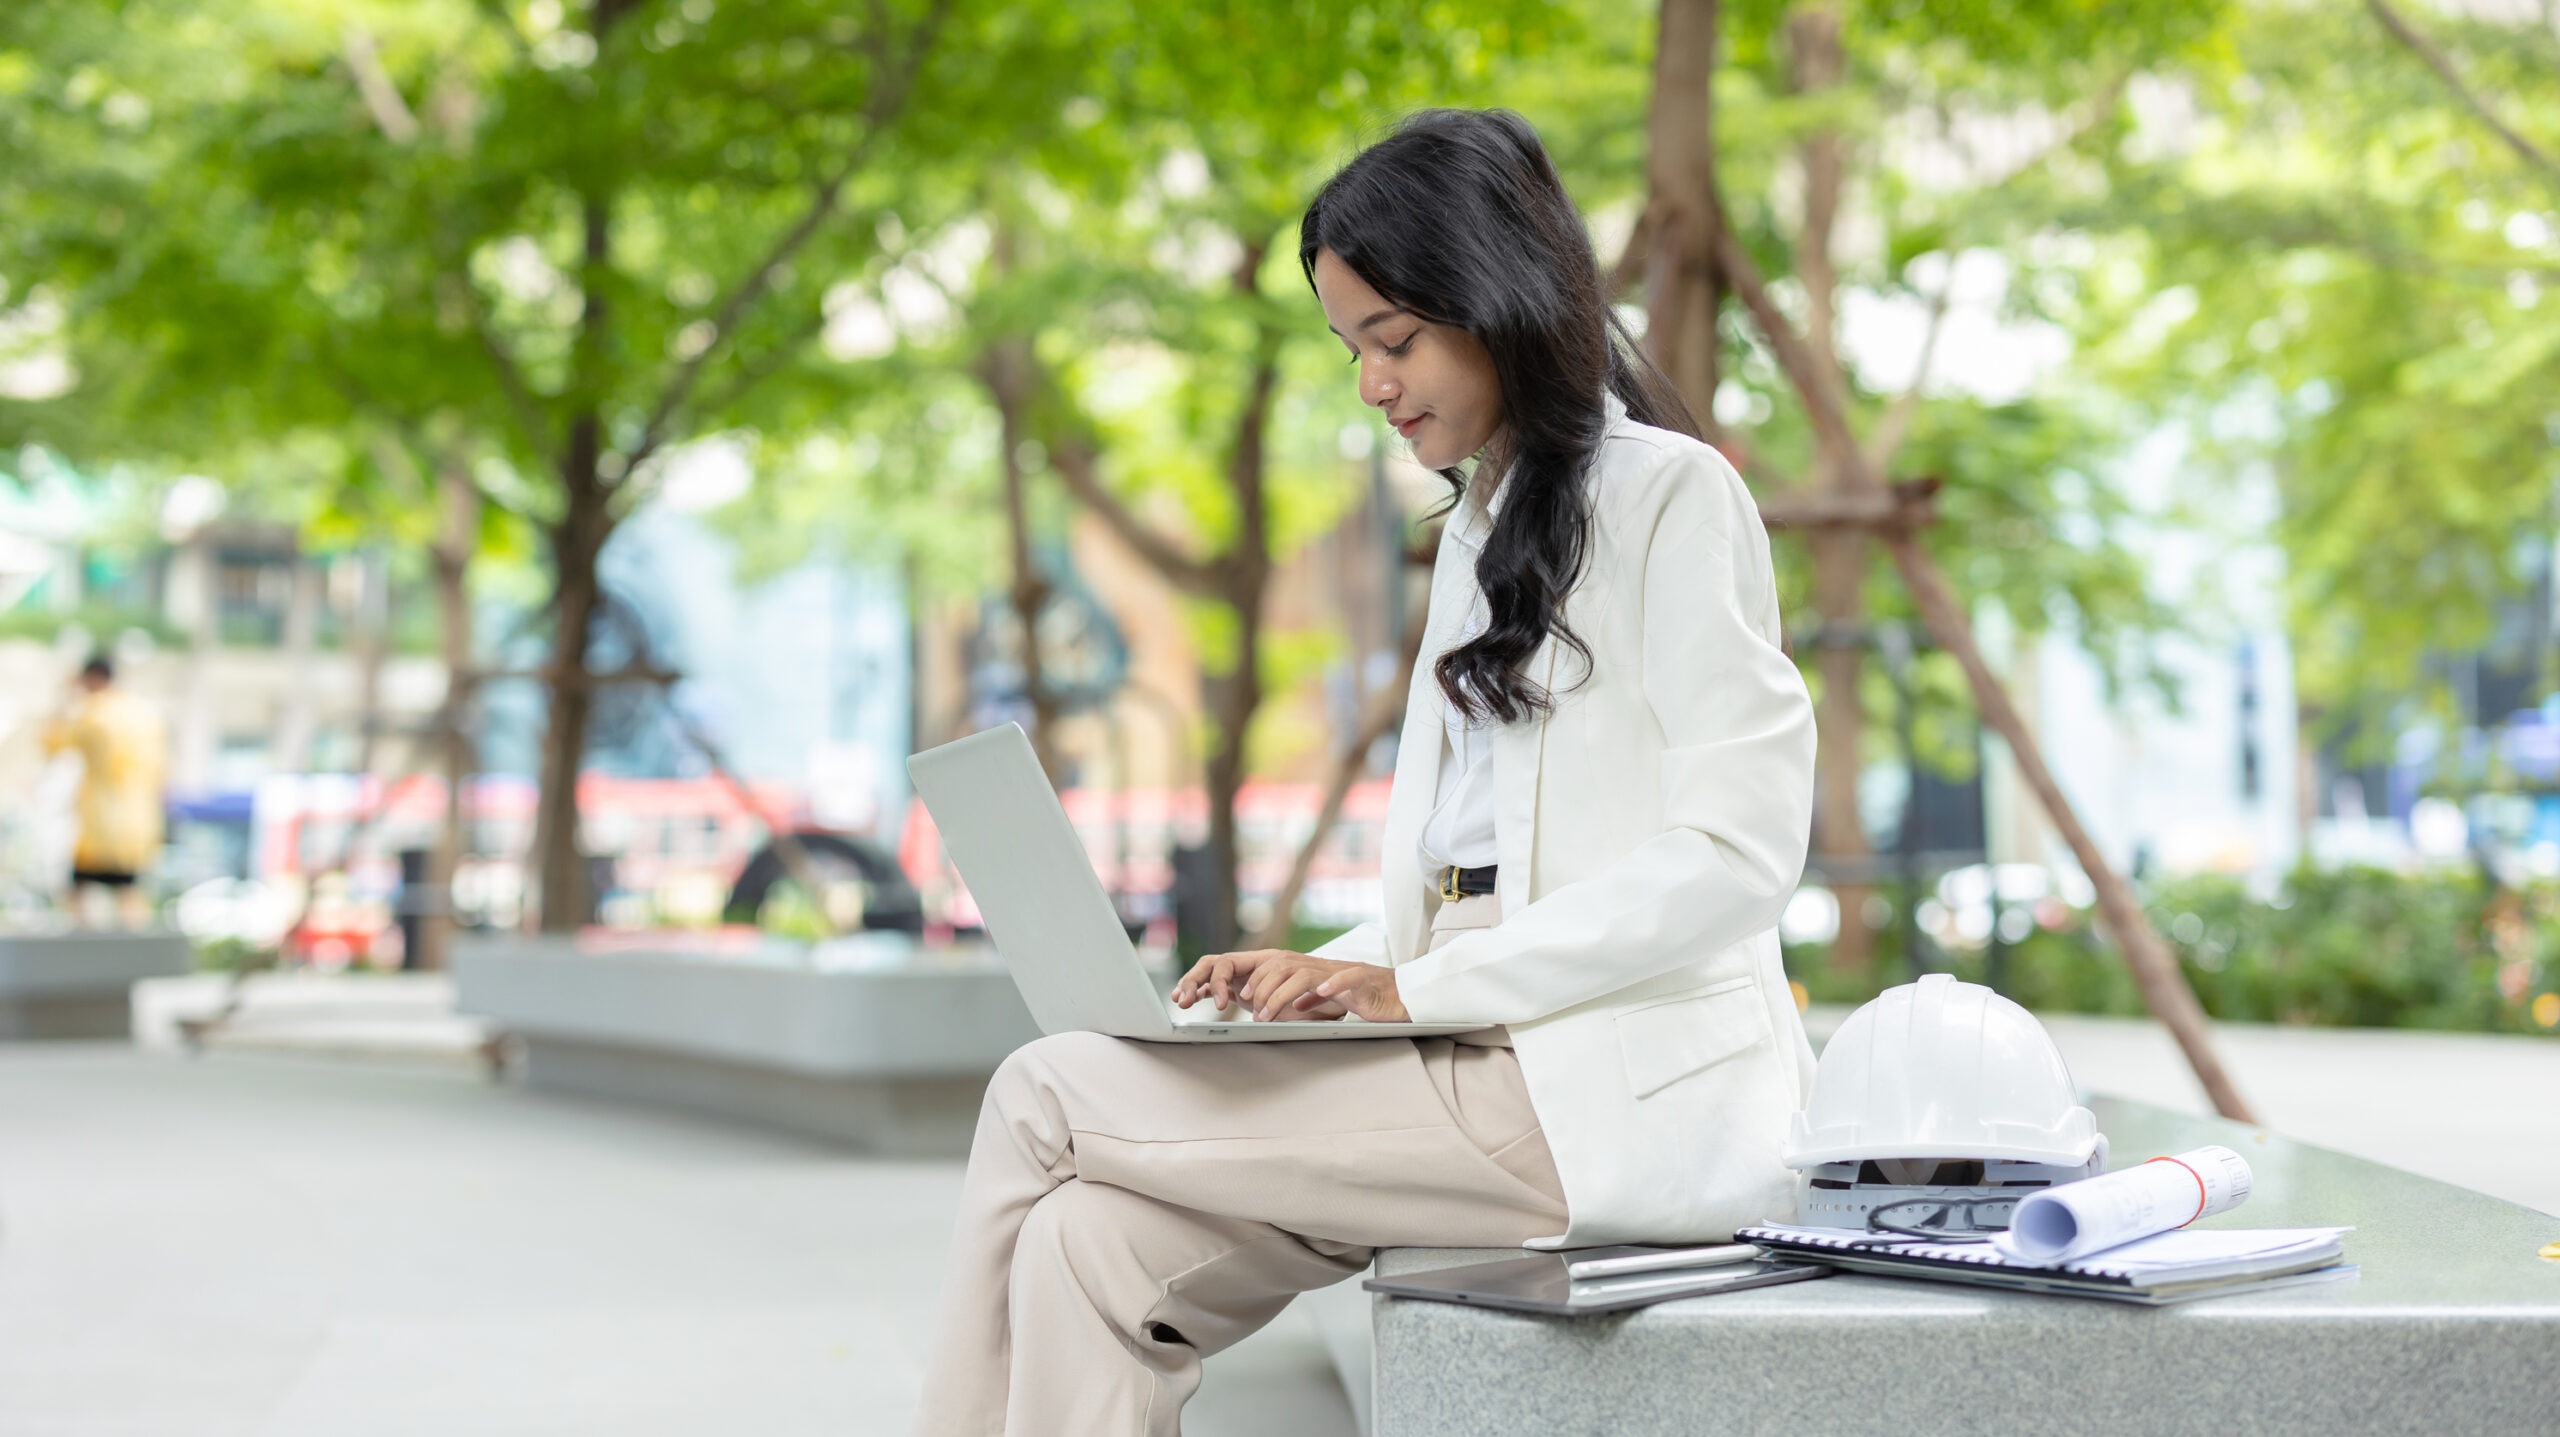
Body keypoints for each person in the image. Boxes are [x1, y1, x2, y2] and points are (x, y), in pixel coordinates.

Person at [913, 109, 1817, 1437]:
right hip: (1468, 1066)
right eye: (1353, 349)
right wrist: (1318, 979)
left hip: (1595, 1097)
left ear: (1498, 302)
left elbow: (1738, 856)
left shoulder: (1670, 496)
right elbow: (1466, 896)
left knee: (1044, 1089)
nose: (1372, 385)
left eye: (1394, 340)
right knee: (1089, 1247)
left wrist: (1408, 986)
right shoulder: (1480, 532)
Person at [42, 654, 168, 929]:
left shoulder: (92, 713)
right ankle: (136, 954)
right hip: (138, 823)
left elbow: (52, 745)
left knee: (77, 889)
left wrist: (66, 696)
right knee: (128, 890)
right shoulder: (142, 713)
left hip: (101, 822)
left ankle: (82, 953)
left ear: (91, 677)